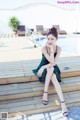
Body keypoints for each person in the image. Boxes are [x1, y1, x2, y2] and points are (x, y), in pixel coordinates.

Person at [32, 27, 68, 117]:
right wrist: (43, 67)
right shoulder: (43, 48)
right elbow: (50, 61)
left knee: (51, 70)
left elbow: (53, 63)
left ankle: (46, 93)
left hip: (49, 67)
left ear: (56, 39)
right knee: (51, 70)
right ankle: (63, 104)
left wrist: (52, 51)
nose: (50, 41)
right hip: (44, 69)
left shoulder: (58, 48)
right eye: (48, 39)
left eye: (52, 39)